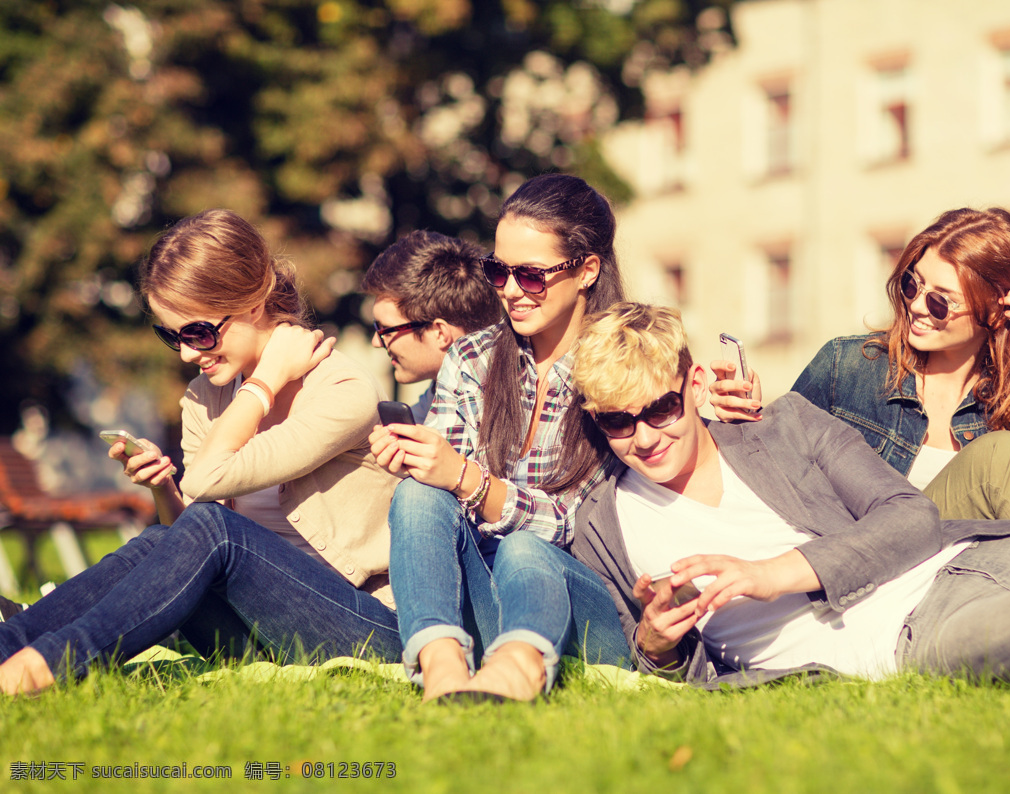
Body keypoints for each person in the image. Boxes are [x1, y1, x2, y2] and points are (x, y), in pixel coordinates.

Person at [571, 302, 1010, 688]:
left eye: (660, 409)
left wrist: (772, 575)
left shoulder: (784, 424)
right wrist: (658, 645)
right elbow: (665, 670)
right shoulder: (606, 526)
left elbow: (913, 515)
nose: (645, 437)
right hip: (912, 635)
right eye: (617, 422)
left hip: (970, 560)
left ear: (695, 381)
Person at [0, 209, 403, 694]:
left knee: (214, 529)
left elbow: (211, 490)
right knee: (154, 541)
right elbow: (188, 542)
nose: (189, 353)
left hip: (365, 626)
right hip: (254, 625)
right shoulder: (205, 396)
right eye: (172, 336)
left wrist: (266, 380)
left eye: (198, 332)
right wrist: (163, 489)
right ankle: (9, 645)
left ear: (254, 303)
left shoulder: (341, 389)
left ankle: (44, 668)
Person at [711, 207, 1010, 556]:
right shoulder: (849, 365)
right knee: (999, 456)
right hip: (884, 565)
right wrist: (751, 422)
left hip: (982, 571)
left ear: (997, 309)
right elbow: (775, 480)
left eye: (941, 300)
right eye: (911, 283)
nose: (918, 305)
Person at [370, 173, 632, 702]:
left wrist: (467, 480)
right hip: (486, 597)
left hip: (578, 602)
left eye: (531, 275)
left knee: (523, 552)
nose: (510, 290)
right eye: (499, 270)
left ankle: (520, 673)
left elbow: (576, 527)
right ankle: (442, 668)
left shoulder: (622, 365)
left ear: (587, 272)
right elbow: (441, 494)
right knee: (419, 492)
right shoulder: (473, 358)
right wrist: (423, 463)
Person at [361, 230, 503, 424]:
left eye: (385, 329)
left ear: (440, 333)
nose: (376, 341)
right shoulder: (443, 386)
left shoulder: (496, 404)